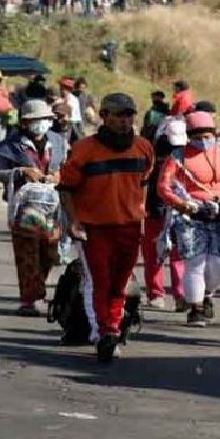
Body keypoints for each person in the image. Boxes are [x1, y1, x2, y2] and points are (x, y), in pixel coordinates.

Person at [58, 93, 155, 362]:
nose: (125, 121)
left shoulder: (143, 148)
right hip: (94, 229)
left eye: (129, 115)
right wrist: (74, 222)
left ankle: (110, 328)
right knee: (99, 282)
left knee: (120, 284)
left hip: (129, 228)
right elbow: (66, 189)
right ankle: (106, 333)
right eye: (119, 115)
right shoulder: (84, 150)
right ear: (104, 116)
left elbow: (143, 183)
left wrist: (142, 216)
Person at [156, 111, 220, 327]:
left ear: (215, 133)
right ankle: (196, 308)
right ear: (189, 135)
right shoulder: (178, 157)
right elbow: (164, 186)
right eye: (197, 135)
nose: (203, 139)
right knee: (195, 263)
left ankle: (207, 293)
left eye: (207, 134)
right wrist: (182, 205)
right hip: (191, 215)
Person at [0, 99, 66, 316]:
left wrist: (59, 175)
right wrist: (21, 171)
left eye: (44, 119)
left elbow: (66, 168)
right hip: (24, 207)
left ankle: (38, 290)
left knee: (49, 252)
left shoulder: (58, 142)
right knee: (27, 253)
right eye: (35, 120)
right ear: (24, 122)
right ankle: (29, 299)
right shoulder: (10, 146)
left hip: (52, 206)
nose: (40, 124)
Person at [142, 118, 187, 312]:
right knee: (153, 254)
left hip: (178, 211)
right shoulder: (149, 156)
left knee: (179, 254)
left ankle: (180, 294)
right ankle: (156, 293)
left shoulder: (187, 155)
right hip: (154, 210)